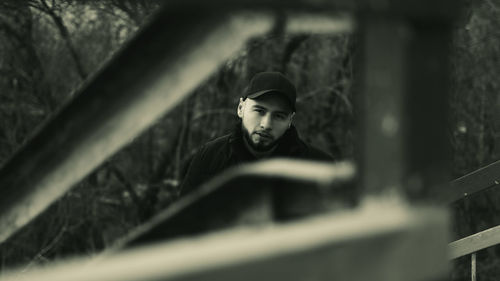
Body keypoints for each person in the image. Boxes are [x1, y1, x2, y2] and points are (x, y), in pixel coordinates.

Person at [179, 71, 333, 195]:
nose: (266, 124)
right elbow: (182, 225)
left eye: (279, 116)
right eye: (259, 111)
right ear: (241, 108)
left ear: (290, 121)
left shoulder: (318, 167)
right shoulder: (209, 157)